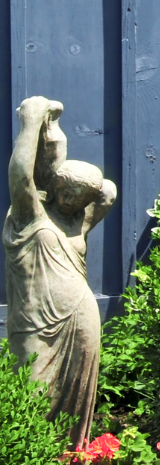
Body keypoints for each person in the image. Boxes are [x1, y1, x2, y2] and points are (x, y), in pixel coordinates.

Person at [5, 96, 115, 443]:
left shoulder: (77, 223)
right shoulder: (29, 216)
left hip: (79, 318)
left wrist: (54, 129)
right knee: (32, 394)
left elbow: (107, 194)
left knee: (75, 403)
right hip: (35, 322)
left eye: (78, 198)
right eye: (66, 192)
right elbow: (22, 175)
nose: (70, 201)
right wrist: (34, 123)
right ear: (54, 185)